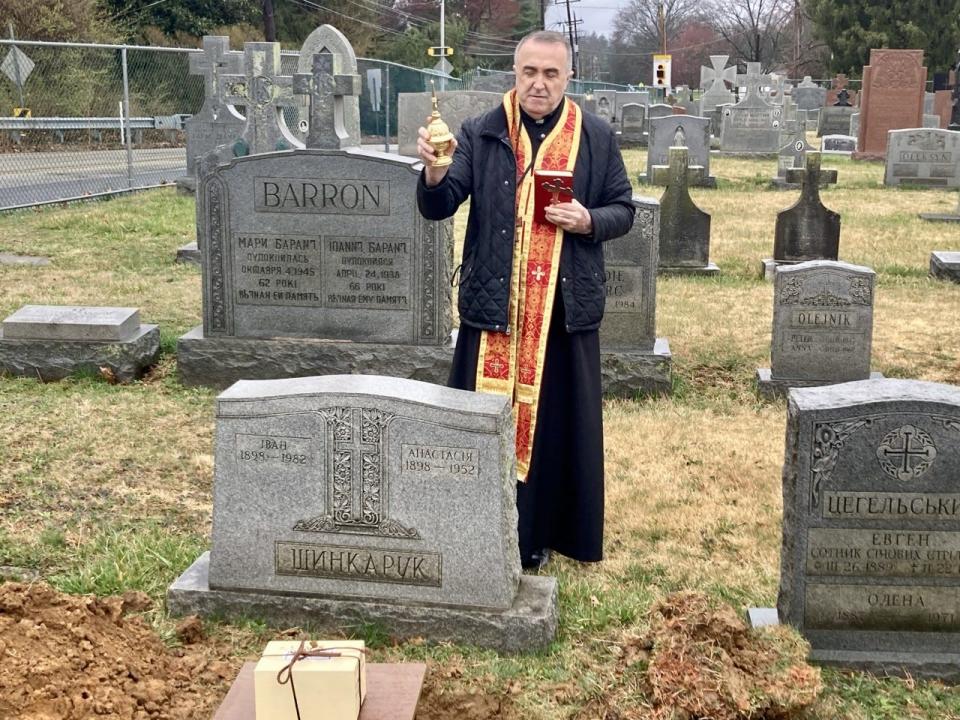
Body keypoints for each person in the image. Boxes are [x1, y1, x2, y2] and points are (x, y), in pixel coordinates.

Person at [416, 31, 635, 569]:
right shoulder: (483, 131)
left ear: (567, 77)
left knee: (555, 422)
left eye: (551, 74)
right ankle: (473, 523)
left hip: (560, 312)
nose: (539, 84)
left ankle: (539, 535)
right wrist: (435, 171)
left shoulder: (596, 137)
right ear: (515, 73)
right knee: (486, 415)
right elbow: (440, 205)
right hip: (495, 309)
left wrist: (587, 219)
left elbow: (623, 209)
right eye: (529, 72)